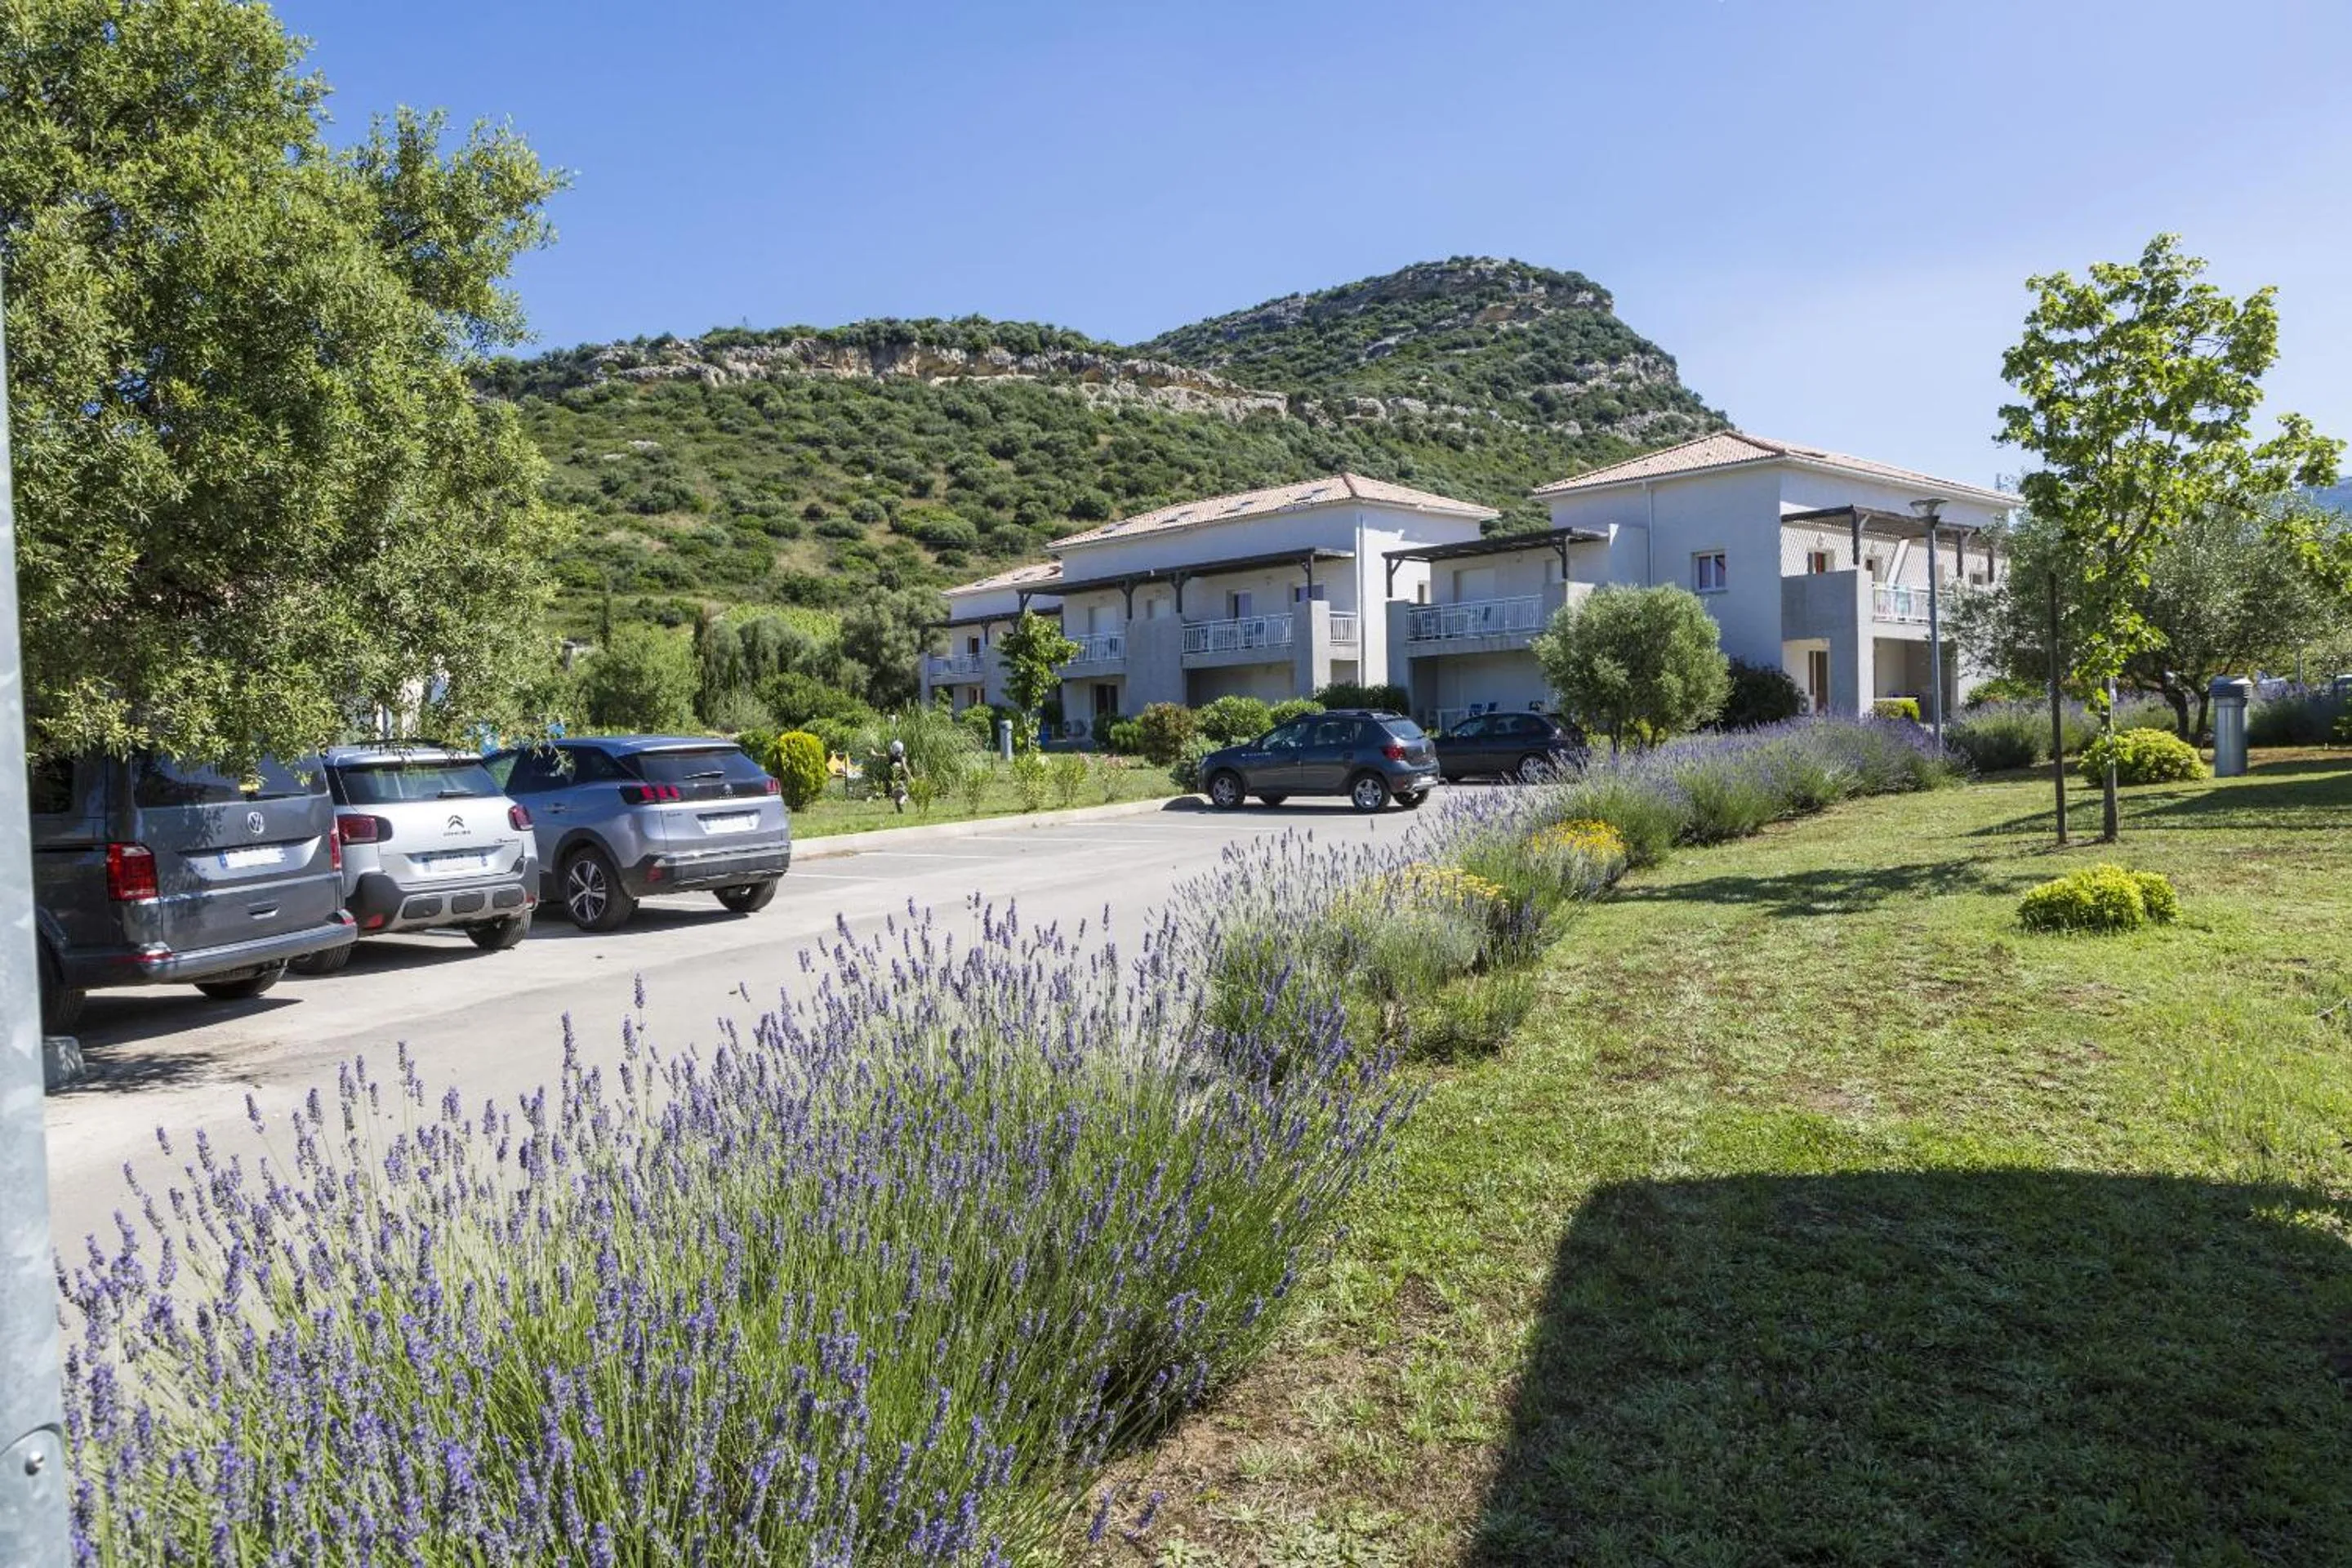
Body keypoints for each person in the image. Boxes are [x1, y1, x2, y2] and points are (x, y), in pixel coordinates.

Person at [885, 738, 911, 813]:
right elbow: (904, 767)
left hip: (893, 779)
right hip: (901, 779)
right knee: (905, 795)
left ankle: (899, 811)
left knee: (896, 795)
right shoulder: (902, 757)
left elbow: (883, 756)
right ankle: (901, 803)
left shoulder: (891, 757)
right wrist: (910, 776)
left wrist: (875, 753)